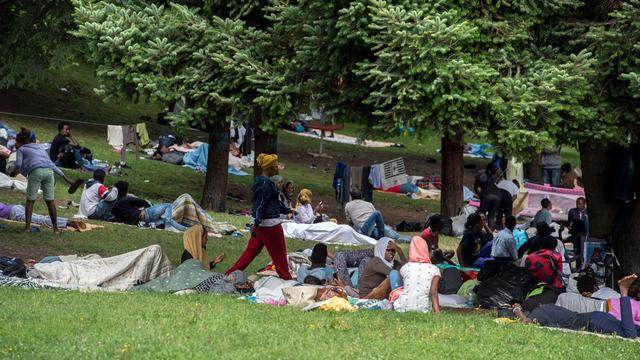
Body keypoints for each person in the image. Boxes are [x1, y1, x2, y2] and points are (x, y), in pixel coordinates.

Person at [226, 154, 294, 280]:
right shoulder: (265, 184)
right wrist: (254, 223)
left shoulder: (263, 182)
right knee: (279, 256)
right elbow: (260, 204)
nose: (277, 168)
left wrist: (288, 210)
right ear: (270, 168)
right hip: (270, 226)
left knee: (249, 254)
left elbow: (272, 203)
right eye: (275, 166)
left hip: (262, 225)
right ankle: (287, 279)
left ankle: (228, 274)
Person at [512, 275, 640, 339]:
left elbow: (629, 335)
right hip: (584, 317)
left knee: (549, 315)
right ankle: (525, 313)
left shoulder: (633, 331)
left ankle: (523, 317)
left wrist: (624, 291)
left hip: (586, 323)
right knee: (549, 309)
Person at [13, 128, 77, 233]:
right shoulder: (40, 148)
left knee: (30, 200)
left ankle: (27, 228)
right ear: (33, 140)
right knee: (50, 201)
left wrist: (13, 173)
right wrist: (67, 179)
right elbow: (51, 164)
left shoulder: (22, 149)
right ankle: (56, 229)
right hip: (49, 172)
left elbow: (18, 165)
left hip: (36, 171)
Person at [110, 181, 189, 231]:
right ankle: (169, 225)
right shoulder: (126, 199)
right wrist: (148, 209)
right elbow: (143, 202)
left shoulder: (113, 206)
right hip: (146, 214)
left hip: (141, 222)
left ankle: (186, 229)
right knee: (168, 206)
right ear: (124, 191)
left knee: (165, 220)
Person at [393, 236, 441, 313]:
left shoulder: (405, 268)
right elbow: (433, 293)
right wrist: (437, 311)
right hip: (423, 309)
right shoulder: (434, 269)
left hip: (401, 307)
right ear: (426, 251)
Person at [344, 190, 409, 242]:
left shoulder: (348, 205)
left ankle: (404, 239)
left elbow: (350, 222)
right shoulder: (369, 204)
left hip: (369, 229)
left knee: (390, 233)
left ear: (352, 197)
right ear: (361, 197)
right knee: (378, 215)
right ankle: (382, 237)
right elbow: (376, 219)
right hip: (364, 229)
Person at [0, 202, 86, 230]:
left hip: (13, 212)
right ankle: (67, 221)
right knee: (41, 217)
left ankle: (68, 223)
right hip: (14, 208)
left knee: (39, 219)